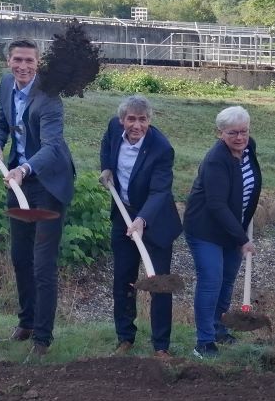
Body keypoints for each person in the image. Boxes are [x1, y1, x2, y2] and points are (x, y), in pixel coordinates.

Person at [0, 38, 75, 357]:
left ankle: (43, 337)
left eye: (29, 61)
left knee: (42, 263)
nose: (23, 66)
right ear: (8, 61)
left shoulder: (50, 98)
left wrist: (24, 169)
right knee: (20, 256)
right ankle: (25, 322)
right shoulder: (6, 84)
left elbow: (52, 147)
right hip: (17, 181)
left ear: (39, 65)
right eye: (17, 60)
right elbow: (1, 121)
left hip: (47, 183)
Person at [99, 96, 183, 358]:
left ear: (150, 120)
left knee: (159, 282)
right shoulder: (114, 129)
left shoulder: (161, 148)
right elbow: (106, 145)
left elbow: (160, 191)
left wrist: (142, 220)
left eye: (143, 119)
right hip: (123, 216)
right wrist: (107, 168)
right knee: (123, 280)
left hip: (154, 220)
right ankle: (125, 337)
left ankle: (161, 346)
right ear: (122, 120)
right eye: (131, 119)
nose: (137, 125)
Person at [185, 106, 262, 359]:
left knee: (227, 279)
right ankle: (204, 342)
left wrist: (240, 229)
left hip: (233, 226)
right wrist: (243, 239)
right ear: (220, 133)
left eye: (244, 131)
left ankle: (218, 328)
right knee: (211, 280)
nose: (240, 138)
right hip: (206, 228)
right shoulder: (216, 160)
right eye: (232, 133)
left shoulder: (249, 148)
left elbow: (247, 187)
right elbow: (216, 204)